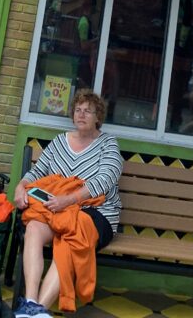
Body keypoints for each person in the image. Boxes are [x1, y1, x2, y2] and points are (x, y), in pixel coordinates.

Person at [12, 90, 122, 318]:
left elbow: (105, 180)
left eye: (88, 111)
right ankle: (30, 300)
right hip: (56, 210)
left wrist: (68, 200)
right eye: (78, 110)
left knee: (70, 243)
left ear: (97, 117)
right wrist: (20, 187)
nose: (81, 115)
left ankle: (37, 311)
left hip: (95, 214)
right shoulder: (59, 142)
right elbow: (37, 171)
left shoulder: (108, 144)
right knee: (33, 227)